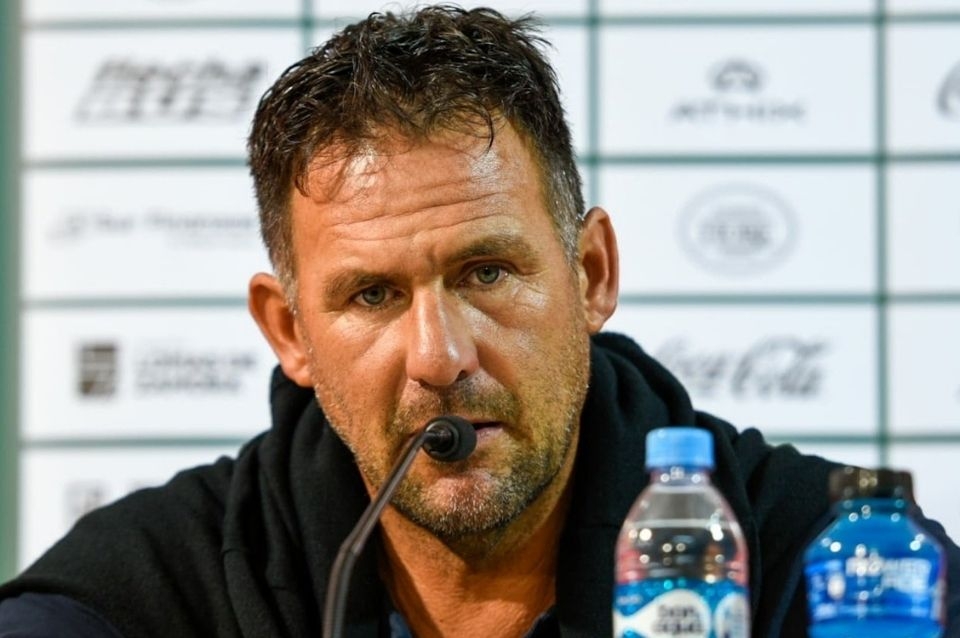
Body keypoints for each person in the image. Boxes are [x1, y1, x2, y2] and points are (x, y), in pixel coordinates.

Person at [1, 5, 958, 637]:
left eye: (487, 272)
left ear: (591, 272)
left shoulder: (838, 569)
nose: (440, 356)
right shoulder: (145, 594)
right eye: (372, 296)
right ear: (289, 332)